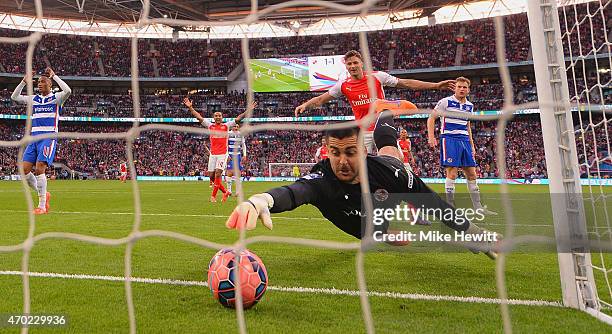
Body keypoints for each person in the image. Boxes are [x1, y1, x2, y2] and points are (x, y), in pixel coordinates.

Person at [226, 110, 499, 259]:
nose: (342, 161)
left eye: (350, 152)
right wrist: (261, 201)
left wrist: (472, 231)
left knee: (391, 154)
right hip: (366, 226)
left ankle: (385, 119)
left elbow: (434, 204)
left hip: (385, 186)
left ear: (362, 150)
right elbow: (295, 192)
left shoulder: (386, 173)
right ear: (327, 151)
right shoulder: (322, 180)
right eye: (335, 153)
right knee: (389, 237)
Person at [295, 49, 455, 153]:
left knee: (394, 163)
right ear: (346, 67)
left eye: (355, 62)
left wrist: (435, 85)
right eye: (349, 64)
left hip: (382, 127)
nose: (352, 66)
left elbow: (406, 83)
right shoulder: (343, 85)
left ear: (361, 63)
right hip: (363, 132)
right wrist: (305, 105)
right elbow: (321, 99)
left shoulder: (377, 76)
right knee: (364, 169)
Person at [427, 77, 497, 215]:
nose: (461, 89)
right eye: (459, 87)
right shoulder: (445, 102)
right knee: (452, 173)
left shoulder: (469, 106)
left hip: (464, 140)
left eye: (464, 87)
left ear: (468, 90)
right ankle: (450, 206)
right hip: (449, 138)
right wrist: (431, 137)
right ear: (455, 88)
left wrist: (471, 144)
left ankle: (478, 208)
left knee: (471, 174)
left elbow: (467, 125)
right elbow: (431, 118)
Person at [11, 67, 72, 214]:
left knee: (39, 168)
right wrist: (23, 82)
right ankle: (45, 193)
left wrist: (54, 76)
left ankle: (42, 206)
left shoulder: (56, 98)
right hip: (34, 138)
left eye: (43, 81)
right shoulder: (34, 99)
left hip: (48, 136)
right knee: (23, 171)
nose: (39, 84)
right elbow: (14, 97)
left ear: (50, 85)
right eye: (38, 82)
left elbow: (68, 91)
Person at [183, 98, 255, 202]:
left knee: (217, 174)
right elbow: (199, 117)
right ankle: (225, 191)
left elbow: (238, 118)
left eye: (219, 115)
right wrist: (190, 107)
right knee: (211, 176)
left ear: (222, 117)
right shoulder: (210, 125)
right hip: (213, 154)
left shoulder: (226, 126)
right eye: (216, 115)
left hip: (223, 154)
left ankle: (213, 197)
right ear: (213, 117)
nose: (218, 117)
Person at [227, 124, 247, 196]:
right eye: (234, 126)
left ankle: (238, 191)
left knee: (238, 173)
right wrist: (227, 155)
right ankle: (229, 191)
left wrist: (244, 155)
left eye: (237, 127)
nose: (236, 128)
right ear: (232, 127)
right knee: (229, 172)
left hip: (238, 155)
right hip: (230, 155)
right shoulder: (228, 134)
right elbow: (225, 145)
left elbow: (243, 145)